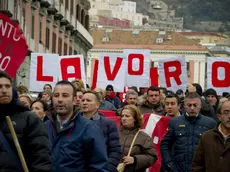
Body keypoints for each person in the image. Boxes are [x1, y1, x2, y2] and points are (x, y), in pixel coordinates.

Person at [45, 80, 108, 171]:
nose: (60, 99)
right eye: (56, 95)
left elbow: (99, 166)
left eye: (65, 95)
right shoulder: (44, 127)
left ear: (75, 100)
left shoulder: (89, 128)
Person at [0, 71, 52, 171]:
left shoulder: (29, 119)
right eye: (0, 86)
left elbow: (41, 156)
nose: (4, 90)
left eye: (7, 86)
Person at [160, 92, 216, 172]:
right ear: (184, 106)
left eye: (195, 105)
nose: (192, 108)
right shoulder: (175, 122)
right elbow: (165, 144)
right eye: (189, 105)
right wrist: (169, 164)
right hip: (178, 168)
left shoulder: (210, 123)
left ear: (200, 106)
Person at [81, 91, 121, 172]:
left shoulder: (108, 125)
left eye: (88, 100)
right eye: (83, 100)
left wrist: (108, 168)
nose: (84, 103)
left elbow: (115, 150)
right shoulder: (73, 123)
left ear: (97, 105)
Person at [191, 100, 230, 172]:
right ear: (219, 116)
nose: (229, 116)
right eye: (226, 112)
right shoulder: (207, 137)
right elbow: (197, 166)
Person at [119, 105, 157, 172]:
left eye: (127, 116)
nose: (124, 118)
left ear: (135, 119)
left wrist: (135, 159)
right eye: (122, 116)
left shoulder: (144, 137)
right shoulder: (114, 133)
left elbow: (152, 157)